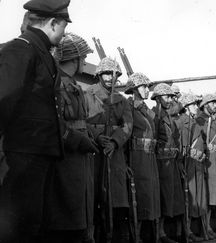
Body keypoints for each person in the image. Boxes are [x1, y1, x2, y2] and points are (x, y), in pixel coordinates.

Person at [0, 0, 71, 241]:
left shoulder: (39, 52)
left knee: (34, 226)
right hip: (21, 158)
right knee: (17, 229)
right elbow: (3, 99)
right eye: (64, 26)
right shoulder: (21, 50)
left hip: (38, 155)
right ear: (53, 23)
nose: (64, 33)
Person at [48, 32, 97, 242]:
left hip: (79, 159)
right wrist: (79, 140)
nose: (84, 62)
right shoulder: (57, 83)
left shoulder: (74, 84)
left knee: (80, 214)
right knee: (67, 217)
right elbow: (55, 124)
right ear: (74, 58)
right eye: (83, 58)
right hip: (66, 158)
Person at [86, 57, 133, 242]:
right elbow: (82, 121)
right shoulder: (87, 94)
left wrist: (114, 142)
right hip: (93, 152)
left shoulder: (121, 101)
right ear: (99, 74)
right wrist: (96, 136)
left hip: (115, 155)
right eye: (105, 73)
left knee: (117, 199)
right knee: (94, 196)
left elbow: (127, 125)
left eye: (113, 74)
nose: (109, 78)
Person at [124, 72, 160, 242]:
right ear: (135, 89)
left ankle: (149, 236)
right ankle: (136, 236)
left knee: (150, 195)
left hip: (149, 157)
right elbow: (126, 133)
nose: (147, 89)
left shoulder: (145, 109)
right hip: (136, 157)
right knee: (140, 196)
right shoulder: (129, 107)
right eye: (144, 86)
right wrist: (125, 162)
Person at [151, 83, 184, 243]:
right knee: (162, 197)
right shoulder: (154, 115)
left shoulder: (167, 115)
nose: (170, 99)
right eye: (167, 96)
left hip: (170, 162)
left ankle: (164, 232)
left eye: (171, 96)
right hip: (160, 163)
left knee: (170, 197)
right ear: (157, 98)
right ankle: (159, 234)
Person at [175, 93, 207, 242]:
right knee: (188, 199)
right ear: (186, 107)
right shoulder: (182, 122)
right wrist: (181, 162)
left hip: (196, 165)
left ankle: (192, 230)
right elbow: (181, 145)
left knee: (197, 199)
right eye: (194, 105)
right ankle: (186, 231)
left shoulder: (193, 122)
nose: (196, 107)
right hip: (187, 164)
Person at [196, 94, 216, 238]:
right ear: (205, 105)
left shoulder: (214, 121)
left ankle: (212, 226)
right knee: (208, 196)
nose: (215, 105)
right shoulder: (200, 120)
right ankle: (206, 227)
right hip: (208, 161)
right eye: (213, 103)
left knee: (215, 195)